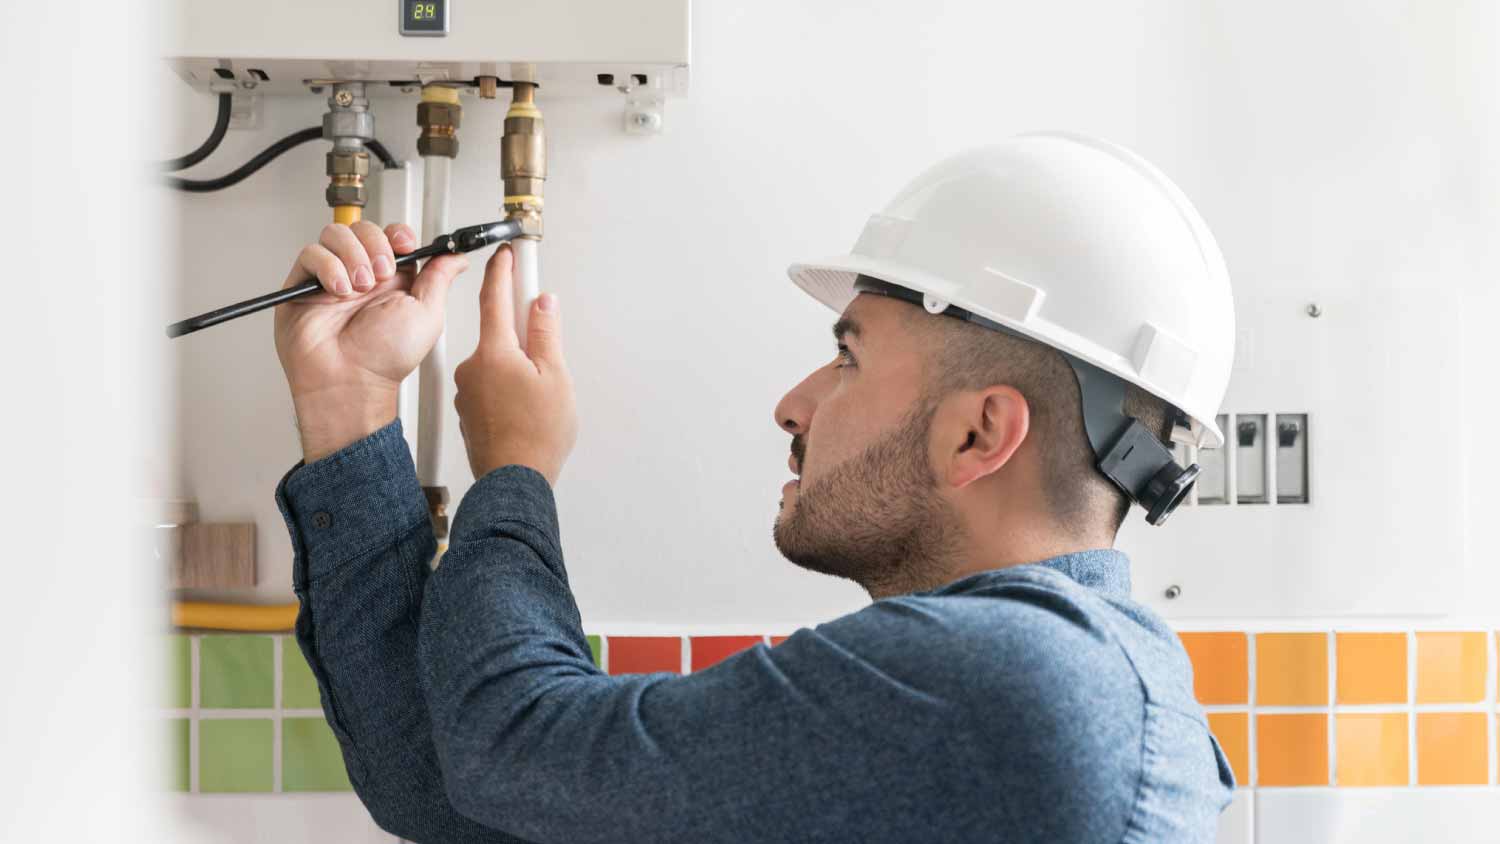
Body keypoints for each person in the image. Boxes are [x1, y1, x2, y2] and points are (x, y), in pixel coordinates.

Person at [272, 133, 1236, 844]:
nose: (793, 405)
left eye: (847, 359)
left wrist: (517, 469)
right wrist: (349, 405)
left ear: (979, 432)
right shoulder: (1035, 696)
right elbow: (464, 790)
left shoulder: (1022, 680)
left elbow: (513, 752)